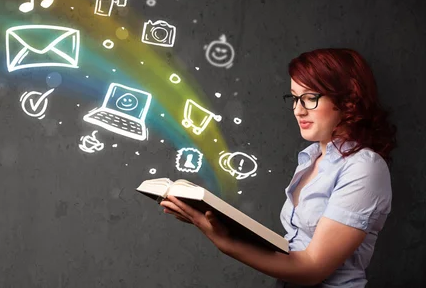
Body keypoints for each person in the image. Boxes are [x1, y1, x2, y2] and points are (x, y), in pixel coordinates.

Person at [160, 48, 396, 287]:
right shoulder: (311, 158)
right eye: (294, 98)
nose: (298, 110)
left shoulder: (365, 168)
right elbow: (290, 250)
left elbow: (312, 268)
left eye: (310, 97)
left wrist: (226, 243)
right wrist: (213, 221)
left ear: (348, 99)